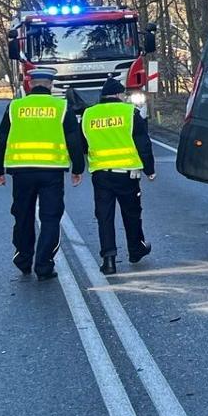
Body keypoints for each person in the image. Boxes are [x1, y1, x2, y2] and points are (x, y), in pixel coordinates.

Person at [0, 68, 86, 279]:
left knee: (22, 216)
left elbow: (1, 140)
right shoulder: (61, 107)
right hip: (51, 172)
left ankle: (23, 259)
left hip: (21, 172)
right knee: (50, 218)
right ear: (50, 85)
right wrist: (78, 168)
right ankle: (44, 265)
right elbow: (73, 140)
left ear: (30, 84)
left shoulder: (15, 107)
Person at [81, 76, 155, 275]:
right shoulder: (130, 112)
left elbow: (83, 143)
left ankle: (109, 260)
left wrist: (80, 167)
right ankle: (135, 250)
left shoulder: (89, 114)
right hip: (127, 174)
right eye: (123, 94)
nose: (124, 97)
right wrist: (149, 169)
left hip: (101, 174)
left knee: (104, 216)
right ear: (118, 94)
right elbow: (143, 143)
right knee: (131, 214)